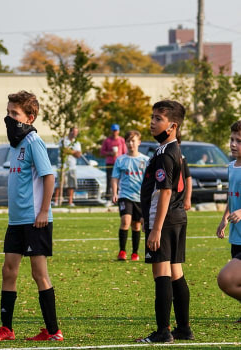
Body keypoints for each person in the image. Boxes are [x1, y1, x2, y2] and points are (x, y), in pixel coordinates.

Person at [0, 90, 63, 342]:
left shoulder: (33, 142)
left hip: (35, 220)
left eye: (14, 114)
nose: (9, 118)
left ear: (29, 118)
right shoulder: (15, 144)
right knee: (8, 271)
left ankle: (53, 331)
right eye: (8, 112)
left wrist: (43, 211)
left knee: (38, 274)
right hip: (16, 221)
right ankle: (6, 329)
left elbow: (49, 176)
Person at [138, 100, 193, 343]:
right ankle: (183, 328)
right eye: (152, 117)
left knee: (161, 273)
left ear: (172, 126)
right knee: (175, 273)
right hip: (177, 218)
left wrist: (155, 230)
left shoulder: (165, 154)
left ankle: (163, 331)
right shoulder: (175, 151)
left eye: (158, 119)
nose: (152, 122)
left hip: (165, 220)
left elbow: (166, 192)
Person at [216, 120, 241, 322]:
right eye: (232, 139)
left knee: (227, 280)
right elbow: (231, 197)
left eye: (239, 141)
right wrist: (224, 218)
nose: (233, 144)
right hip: (236, 234)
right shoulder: (231, 166)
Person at [111, 130, 149, 261]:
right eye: (128, 141)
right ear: (125, 143)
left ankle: (135, 253)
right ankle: (122, 251)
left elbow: (149, 181)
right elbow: (115, 178)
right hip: (125, 195)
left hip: (140, 197)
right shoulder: (120, 160)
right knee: (125, 221)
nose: (131, 143)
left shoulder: (145, 160)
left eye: (133, 141)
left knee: (137, 225)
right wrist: (115, 192)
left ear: (139, 142)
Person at [53, 127, 81, 206]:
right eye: (74, 132)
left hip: (72, 166)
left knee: (71, 185)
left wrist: (70, 151)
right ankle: (56, 201)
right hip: (62, 165)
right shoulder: (63, 140)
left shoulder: (76, 142)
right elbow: (64, 151)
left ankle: (70, 202)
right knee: (59, 184)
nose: (75, 133)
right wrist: (73, 151)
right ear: (71, 132)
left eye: (77, 132)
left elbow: (79, 154)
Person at [101, 123, 127, 200]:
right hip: (110, 163)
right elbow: (102, 152)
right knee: (109, 181)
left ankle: (119, 198)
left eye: (116, 130)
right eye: (113, 130)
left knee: (120, 181)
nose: (114, 132)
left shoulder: (122, 140)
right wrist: (110, 153)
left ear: (118, 131)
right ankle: (108, 198)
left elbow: (124, 152)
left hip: (119, 163)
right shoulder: (107, 140)